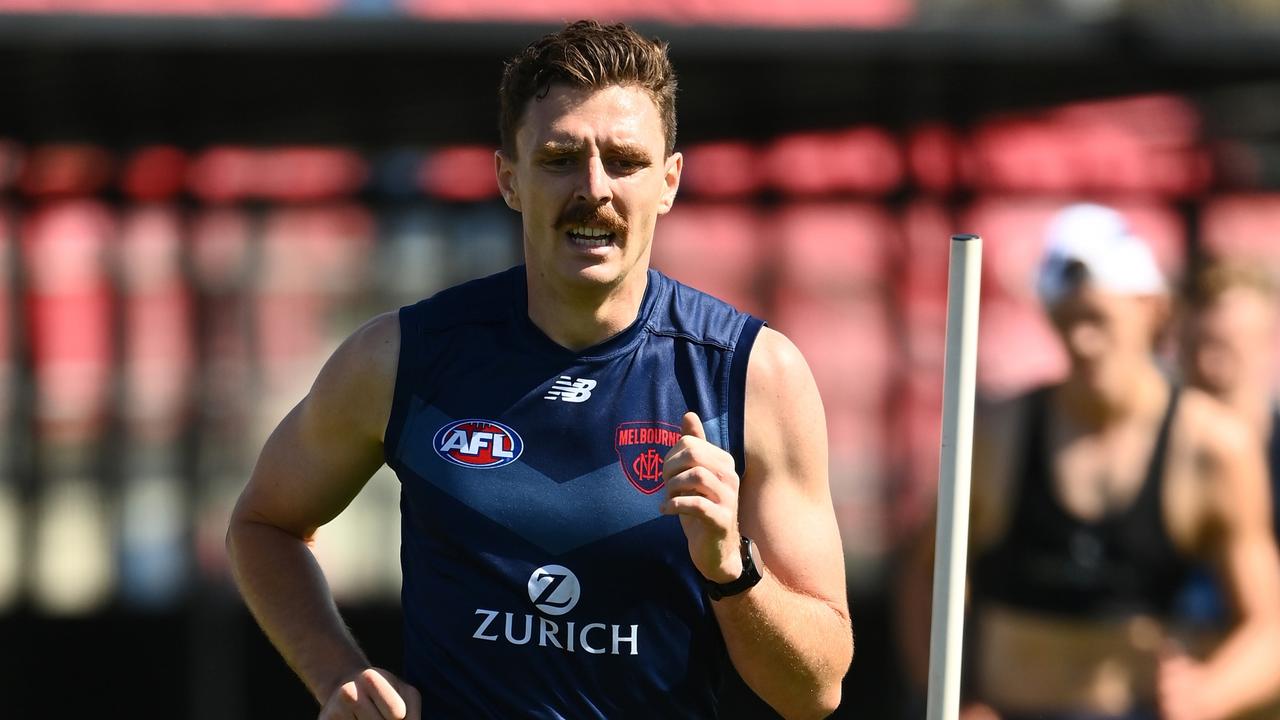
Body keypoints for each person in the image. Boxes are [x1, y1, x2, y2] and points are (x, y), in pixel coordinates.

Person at [225, 19, 852, 720]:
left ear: (669, 182)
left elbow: (815, 692)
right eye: (560, 158)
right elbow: (263, 527)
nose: (594, 187)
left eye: (624, 160)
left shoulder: (754, 374)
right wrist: (336, 675)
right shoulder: (403, 356)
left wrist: (731, 567)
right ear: (509, 178)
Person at [895, 203, 1280, 720]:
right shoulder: (996, 432)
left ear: (1153, 308)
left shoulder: (1212, 448)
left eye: (1098, 319)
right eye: (1067, 321)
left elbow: (1269, 627)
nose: (1082, 341)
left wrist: (1210, 694)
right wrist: (954, 699)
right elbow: (925, 579)